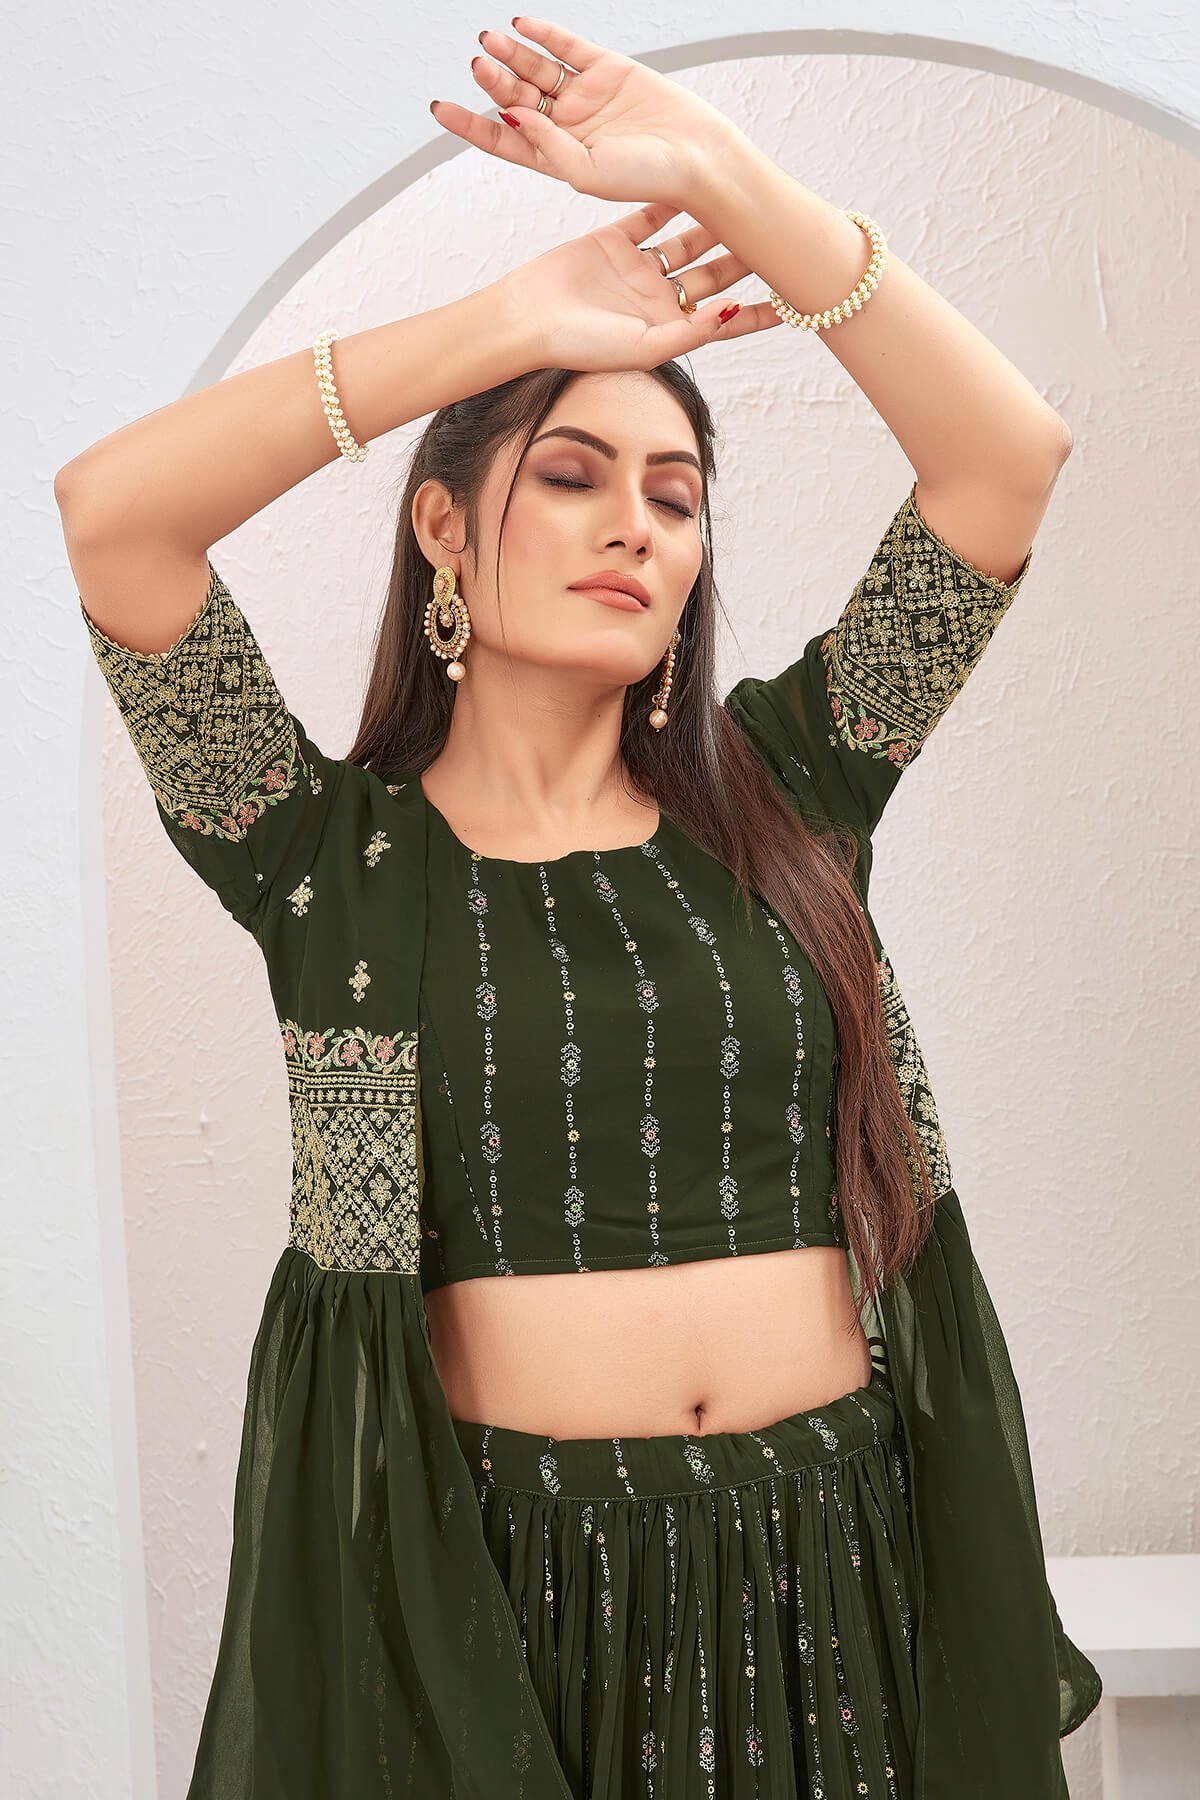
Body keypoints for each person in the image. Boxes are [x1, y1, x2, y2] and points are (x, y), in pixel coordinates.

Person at [55, 17, 1102, 1797]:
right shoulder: (319, 857)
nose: (638, 526)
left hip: (833, 1569)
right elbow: (115, 521)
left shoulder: (794, 787)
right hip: (497, 1608)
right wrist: (509, 326)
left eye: (675, 498)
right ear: (442, 529)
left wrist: (720, 174)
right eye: (571, 472)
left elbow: (1007, 458)